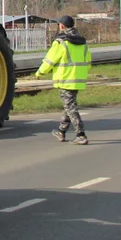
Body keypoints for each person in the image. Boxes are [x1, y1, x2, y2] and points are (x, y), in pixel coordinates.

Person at [35, 16, 92, 145]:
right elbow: (88, 61)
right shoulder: (82, 41)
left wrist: (40, 72)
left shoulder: (61, 42)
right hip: (78, 79)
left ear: (61, 26)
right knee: (69, 105)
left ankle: (80, 134)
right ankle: (61, 131)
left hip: (65, 79)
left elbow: (50, 60)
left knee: (71, 107)